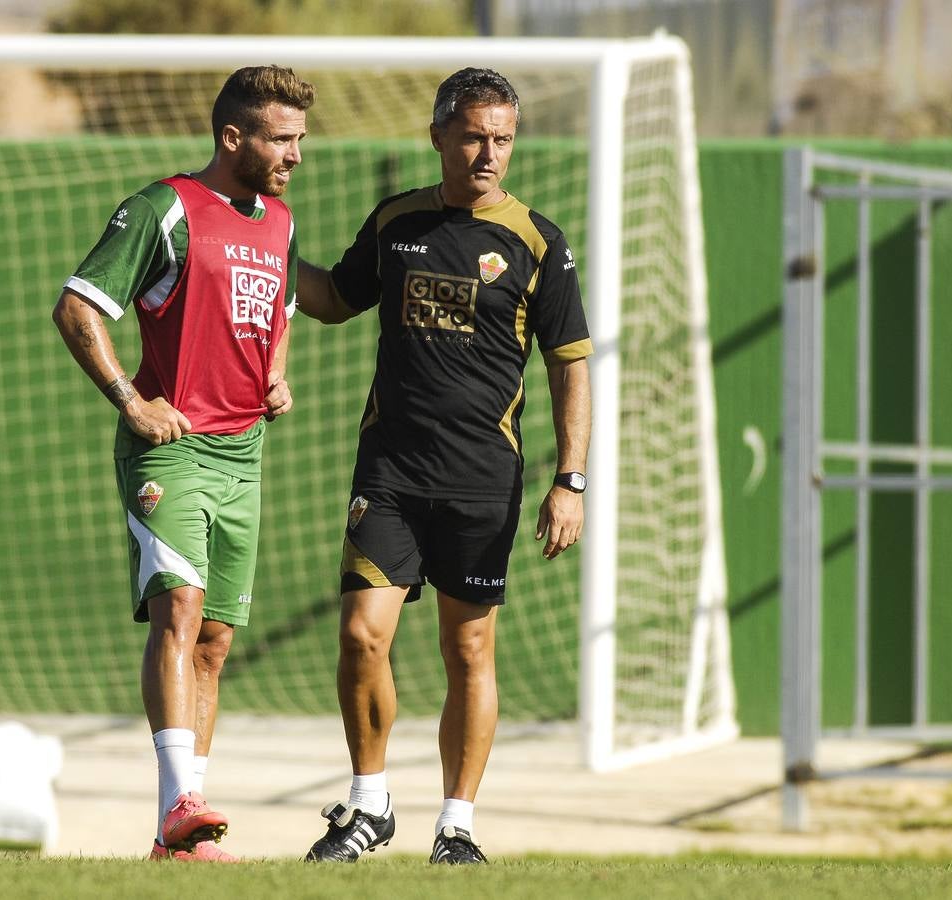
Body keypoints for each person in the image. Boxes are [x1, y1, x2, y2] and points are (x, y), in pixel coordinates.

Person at [294, 67, 592, 865]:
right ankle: (369, 806)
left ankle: (456, 826)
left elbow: (570, 364)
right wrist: (265, 247)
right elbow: (334, 298)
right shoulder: (397, 221)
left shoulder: (539, 243)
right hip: (390, 472)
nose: (489, 153)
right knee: (362, 635)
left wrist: (571, 480)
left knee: (468, 652)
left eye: (503, 139)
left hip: (482, 480)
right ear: (438, 137)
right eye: (473, 136)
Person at [51, 65, 314, 863]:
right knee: (181, 607)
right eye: (281, 139)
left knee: (216, 641)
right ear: (233, 137)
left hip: (245, 455)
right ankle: (178, 807)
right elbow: (77, 307)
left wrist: (275, 376)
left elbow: (281, 313)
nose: (296, 155)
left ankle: (178, 842)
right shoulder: (163, 209)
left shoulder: (281, 222)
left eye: (300, 139)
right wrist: (132, 402)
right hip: (172, 450)